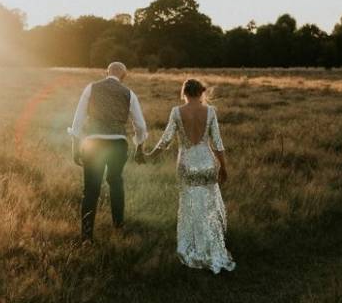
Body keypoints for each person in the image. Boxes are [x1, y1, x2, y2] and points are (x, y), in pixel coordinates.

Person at [143, 78, 235, 273]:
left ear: (184, 93)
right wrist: (223, 167)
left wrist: (150, 155)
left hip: (186, 164)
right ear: (201, 92)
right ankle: (211, 248)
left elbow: (166, 140)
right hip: (207, 163)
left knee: (189, 206)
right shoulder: (210, 112)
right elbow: (217, 143)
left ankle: (193, 247)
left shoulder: (177, 112)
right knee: (208, 206)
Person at [68, 62, 148, 242]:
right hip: (118, 144)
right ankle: (118, 228)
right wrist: (139, 147)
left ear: (106, 73)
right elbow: (140, 125)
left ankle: (86, 237)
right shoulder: (129, 93)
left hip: (93, 143)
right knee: (116, 182)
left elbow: (78, 118)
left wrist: (75, 146)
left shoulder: (91, 88)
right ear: (123, 76)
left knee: (91, 190)